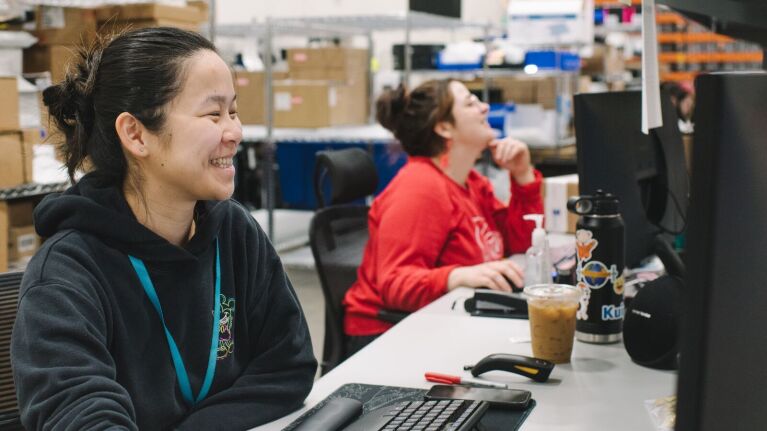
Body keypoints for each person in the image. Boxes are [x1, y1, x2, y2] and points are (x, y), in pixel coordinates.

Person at [11, 28, 316, 430]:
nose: (236, 132)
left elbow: (288, 365)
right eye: (213, 114)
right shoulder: (68, 274)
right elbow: (80, 416)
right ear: (136, 134)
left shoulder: (234, 231)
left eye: (234, 112)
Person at [342, 79, 544, 352]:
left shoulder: (471, 183)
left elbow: (521, 243)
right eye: (471, 103)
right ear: (443, 127)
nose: (485, 107)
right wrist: (457, 277)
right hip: (387, 337)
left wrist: (522, 175)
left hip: (445, 319)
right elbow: (395, 284)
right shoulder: (420, 188)